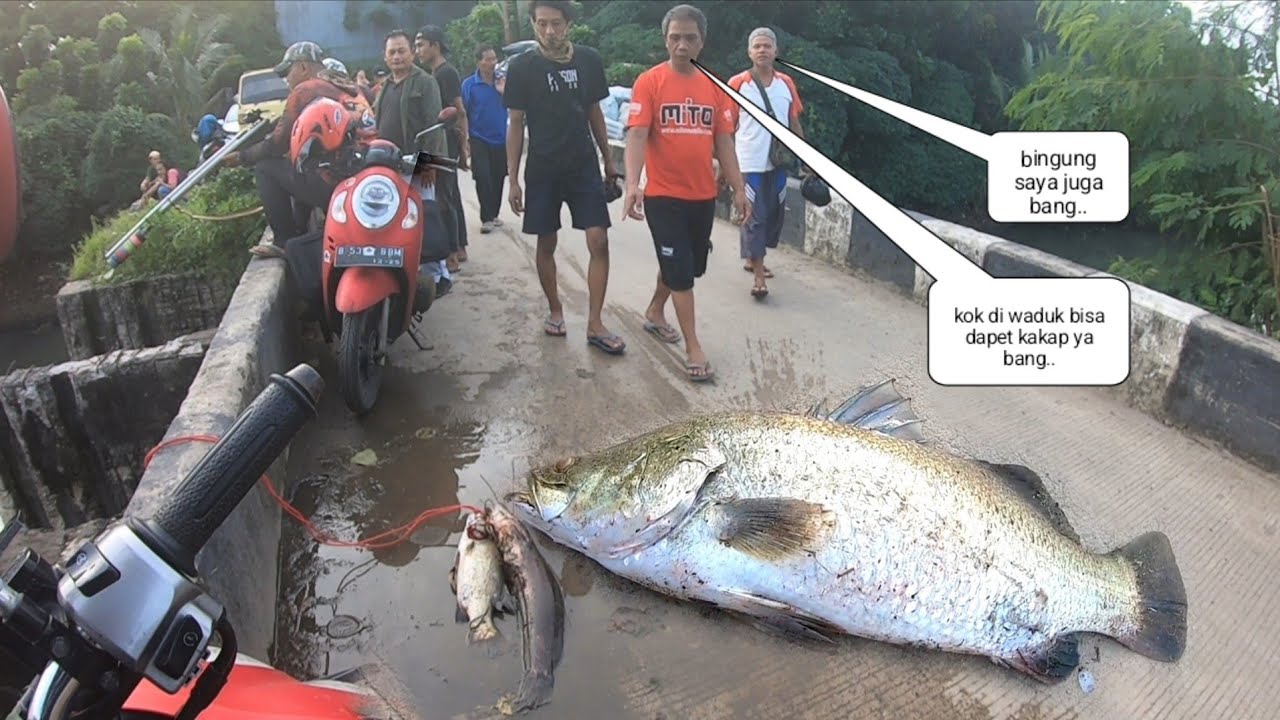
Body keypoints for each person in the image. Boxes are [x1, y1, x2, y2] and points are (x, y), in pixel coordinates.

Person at [622, 4, 751, 382]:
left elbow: (724, 143)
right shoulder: (649, 82)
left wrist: (739, 189)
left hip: (703, 197)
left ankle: (654, 312)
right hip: (663, 196)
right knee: (681, 272)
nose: (681, 45)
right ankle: (694, 347)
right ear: (665, 39)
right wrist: (633, 184)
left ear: (702, 41)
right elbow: (637, 135)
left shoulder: (716, 88)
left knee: (687, 266)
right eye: (674, 37)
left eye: (689, 37)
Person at [504, 0, 626, 355]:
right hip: (542, 167)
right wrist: (513, 178)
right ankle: (555, 309)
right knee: (546, 243)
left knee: (598, 240)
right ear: (533, 24)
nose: (549, 31)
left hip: (583, 165)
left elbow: (594, 112)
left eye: (556, 23)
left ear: (568, 23)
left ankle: (595, 322)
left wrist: (608, 159)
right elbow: (515, 122)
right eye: (541, 24)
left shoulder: (587, 60)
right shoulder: (522, 66)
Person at [223, 41, 370, 255]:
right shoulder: (351, 88)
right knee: (300, 165)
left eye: (287, 72)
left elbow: (277, 144)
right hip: (364, 174)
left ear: (302, 68)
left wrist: (242, 157)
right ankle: (303, 235)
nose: (286, 80)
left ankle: (285, 241)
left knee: (267, 167)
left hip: (337, 179)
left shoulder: (305, 90)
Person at [373, 29, 454, 298]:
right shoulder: (385, 86)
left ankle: (438, 278)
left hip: (416, 164)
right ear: (385, 58)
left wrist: (427, 163)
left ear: (411, 54)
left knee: (424, 219)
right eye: (391, 52)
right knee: (398, 221)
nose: (396, 56)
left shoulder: (425, 82)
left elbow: (434, 124)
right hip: (390, 165)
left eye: (401, 51)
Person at [727, 26, 805, 298]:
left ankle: (752, 258)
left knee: (774, 215)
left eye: (767, 46)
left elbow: (793, 120)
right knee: (755, 217)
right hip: (749, 162)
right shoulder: (738, 83)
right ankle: (759, 277)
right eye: (757, 46)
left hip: (779, 162)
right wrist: (722, 163)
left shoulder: (786, 84)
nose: (762, 50)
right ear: (749, 51)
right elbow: (726, 127)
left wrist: (804, 157)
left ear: (775, 51)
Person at [416, 25, 470, 268]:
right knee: (450, 195)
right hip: (442, 141)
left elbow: (459, 110)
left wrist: (464, 145)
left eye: (421, 45)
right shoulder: (434, 74)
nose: (417, 50)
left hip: (444, 142)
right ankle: (459, 245)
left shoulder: (444, 74)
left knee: (442, 198)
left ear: (435, 46)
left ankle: (451, 251)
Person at [461, 44, 507, 234]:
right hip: (478, 137)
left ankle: (494, 213)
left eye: (494, 58)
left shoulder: (503, 82)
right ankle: (486, 217)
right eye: (487, 59)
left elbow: (515, 105)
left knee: (498, 176)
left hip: (501, 137)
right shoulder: (469, 85)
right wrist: (465, 140)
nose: (492, 63)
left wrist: (503, 90)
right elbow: (463, 112)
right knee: (483, 176)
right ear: (478, 62)